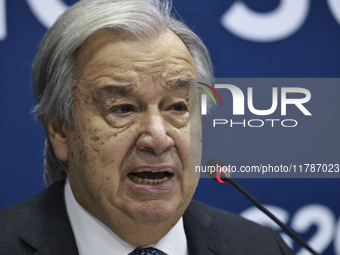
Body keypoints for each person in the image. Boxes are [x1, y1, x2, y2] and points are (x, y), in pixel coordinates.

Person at [0, 0, 294, 254]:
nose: (157, 138)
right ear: (60, 130)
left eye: (178, 107)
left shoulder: (260, 247)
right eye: (123, 108)